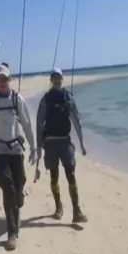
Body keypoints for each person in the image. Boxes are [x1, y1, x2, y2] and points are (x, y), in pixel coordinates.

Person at [0, 65, 37, 251]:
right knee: (7, 185)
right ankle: (12, 231)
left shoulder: (16, 98)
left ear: (10, 80)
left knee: (19, 181)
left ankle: (19, 198)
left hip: (16, 148)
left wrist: (33, 148)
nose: (2, 83)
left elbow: (27, 124)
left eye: (5, 79)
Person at [36, 68, 88, 223]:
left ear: (62, 80)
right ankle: (58, 206)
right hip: (50, 143)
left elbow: (76, 120)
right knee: (54, 176)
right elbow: (39, 123)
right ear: (51, 80)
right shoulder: (45, 100)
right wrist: (38, 146)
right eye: (54, 78)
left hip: (65, 142)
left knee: (71, 174)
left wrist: (81, 142)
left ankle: (76, 210)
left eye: (59, 78)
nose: (57, 80)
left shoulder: (68, 97)